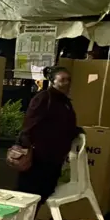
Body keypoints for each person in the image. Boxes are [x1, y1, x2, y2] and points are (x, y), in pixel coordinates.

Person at [17, 66, 82, 206]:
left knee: (42, 194)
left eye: (69, 80)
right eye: (62, 80)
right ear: (53, 81)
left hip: (53, 159)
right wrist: (26, 149)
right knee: (28, 197)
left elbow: (63, 125)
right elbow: (29, 124)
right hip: (39, 158)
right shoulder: (44, 98)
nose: (66, 83)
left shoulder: (64, 101)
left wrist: (77, 131)